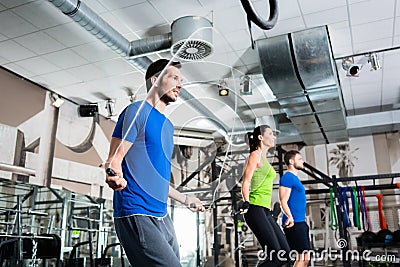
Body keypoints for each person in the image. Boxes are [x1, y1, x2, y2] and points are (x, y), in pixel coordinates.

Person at [105, 59, 204, 267]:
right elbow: (115, 158)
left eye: (181, 80)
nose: (180, 84)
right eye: (174, 78)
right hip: (137, 210)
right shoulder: (136, 111)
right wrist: (114, 175)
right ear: (156, 80)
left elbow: (156, 179)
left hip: (162, 215)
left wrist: (185, 199)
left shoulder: (167, 126)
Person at [240, 125, 290, 267]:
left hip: (265, 210)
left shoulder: (265, 159)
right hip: (255, 208)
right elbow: (246, 181)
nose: (274, 137)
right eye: (270, 134)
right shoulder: (255, 155)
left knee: (285, 255)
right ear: (261, 137)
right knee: (276, 257)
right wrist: (246, 201)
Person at [279, 150, 310, 267]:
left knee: (305, 258)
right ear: (291, 161)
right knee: (302, 258)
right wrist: (290, 217)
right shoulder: (287, 178)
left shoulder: (294, 178)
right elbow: (283, 200)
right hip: (294, 223)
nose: (303, 161)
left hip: (300, 222)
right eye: (300, 159)